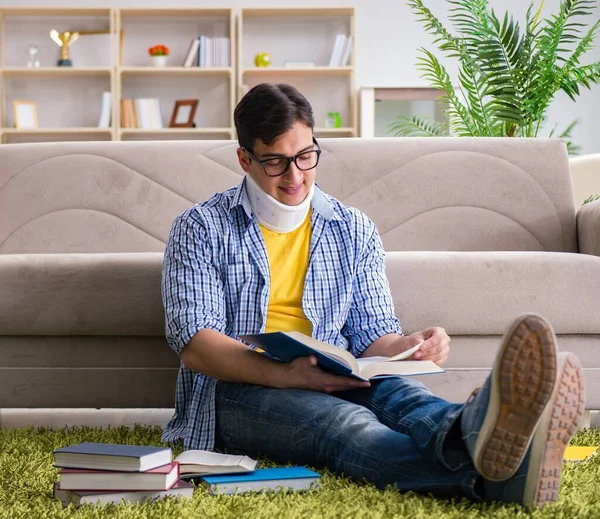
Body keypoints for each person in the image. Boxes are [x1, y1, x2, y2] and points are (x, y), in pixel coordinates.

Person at [161, 83, 585, 508]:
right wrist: (287, 375)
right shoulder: (201, 227)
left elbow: (373, 335)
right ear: (244, 159)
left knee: (407, 398)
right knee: (347, 425)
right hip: (239, 390)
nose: (295, 177)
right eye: (275, 162)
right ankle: (504, 467)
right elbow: (198, 348)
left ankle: (478, 430)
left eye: (305, 156)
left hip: (336, 371)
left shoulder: (352, 227)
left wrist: (409, 347)